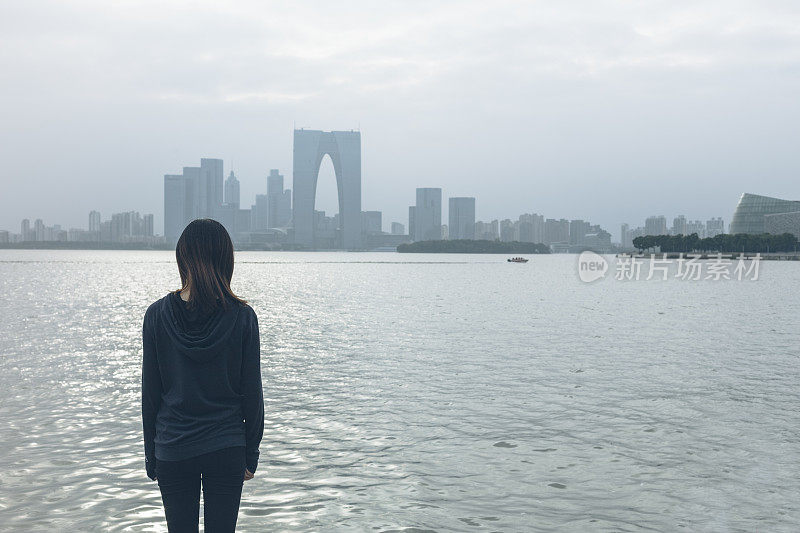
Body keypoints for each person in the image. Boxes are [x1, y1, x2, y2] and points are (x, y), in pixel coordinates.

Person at [141, 219, 264, 532]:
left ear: (182, 258)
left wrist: (151, 456)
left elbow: (150, 395)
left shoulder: (157, 315)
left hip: (173, 447)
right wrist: (251, 454)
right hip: (226, 447)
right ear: (226, 259)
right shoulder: (243, 317)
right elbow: (252, 393)